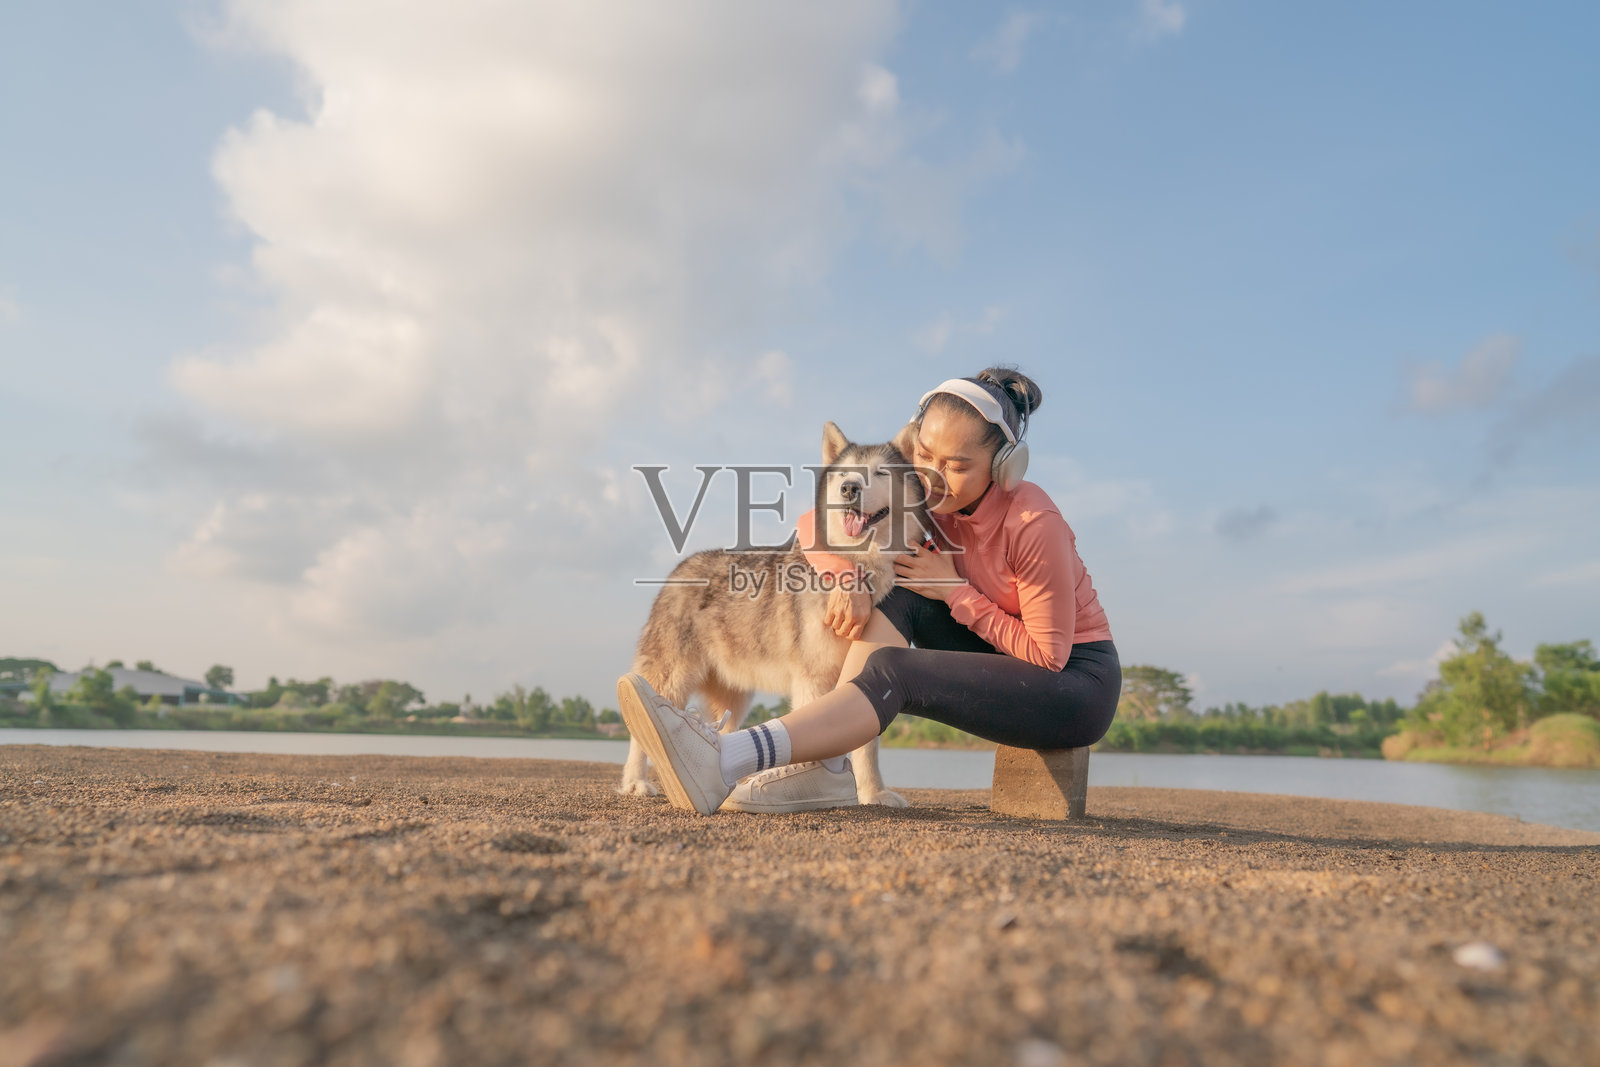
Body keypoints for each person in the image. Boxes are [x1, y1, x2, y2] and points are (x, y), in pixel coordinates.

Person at [616, 366, 1121, 816]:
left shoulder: (1034, 522)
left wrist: (953, 591)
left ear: (1006, 465)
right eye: (924, 454)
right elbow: (821, 525)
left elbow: (1047, 656)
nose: (932, 474)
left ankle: (733, 755)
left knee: (899, 651)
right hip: (994, 651)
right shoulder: (927, 507)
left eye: (957, 465)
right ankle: (825, 768)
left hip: (1070, 687)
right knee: (898, 591)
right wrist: (850, 578)